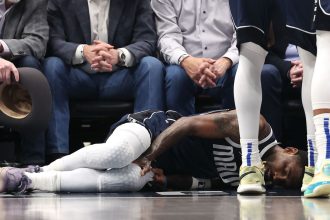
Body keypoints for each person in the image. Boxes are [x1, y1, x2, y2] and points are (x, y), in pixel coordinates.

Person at [0, 109, 307, 193]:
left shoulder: (253, 182)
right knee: (118, 155)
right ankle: (41, 169)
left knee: (133, 181)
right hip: (152, 130)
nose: (278, 177)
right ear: (290, 149)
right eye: (286, 170)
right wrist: (150, 156)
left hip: (158, 163)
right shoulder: (254, 126)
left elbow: (204, 183)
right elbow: (186, 124)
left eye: (283, 183)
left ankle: (27, 181)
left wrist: (167, 181)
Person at [42, 0, 166, 163]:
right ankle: (57, 156)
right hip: (78, 76)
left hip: (121, 76)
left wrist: (119, 55)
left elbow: (147, 40)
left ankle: (146, 154)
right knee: (52, 65)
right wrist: (84, 51)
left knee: (152, 66)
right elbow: (53, 41)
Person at [151, 0, 284, 141]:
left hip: (230, 63)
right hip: (184, 64)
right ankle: (184, 152)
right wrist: (186, 60)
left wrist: (227, 60)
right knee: (175, 77)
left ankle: (252, 148)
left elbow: (246, 33)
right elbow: (167, 36)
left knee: (251, 73)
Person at [0, 0, 49, 165]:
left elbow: (37, 43)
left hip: (11, 66)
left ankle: (33, 162)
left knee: (30, 66)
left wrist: (2, 46)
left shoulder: (35, 4)